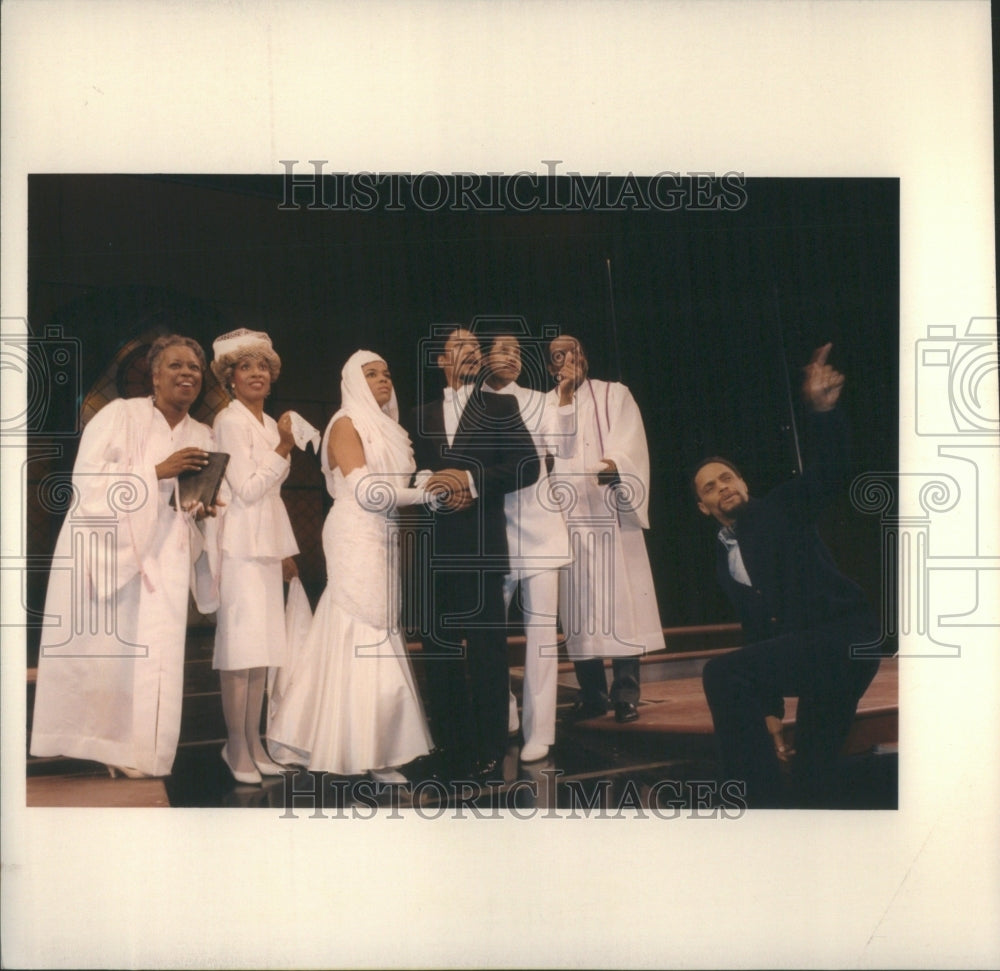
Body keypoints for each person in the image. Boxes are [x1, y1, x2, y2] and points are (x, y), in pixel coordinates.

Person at [693, 343, 880, 808]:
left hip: (844, 636)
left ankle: (756, 807)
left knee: (721, 673)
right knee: (813, 775)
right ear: (704, 507)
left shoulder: (778, 509)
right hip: (821, 663)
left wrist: (822, 411)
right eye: (711, 487)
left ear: (744, 485)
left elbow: (830, 473)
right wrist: (772, 716)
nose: (723, 488)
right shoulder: (726, 561)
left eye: (728, 478)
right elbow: (760, 634)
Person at [30, 334, 221, 779]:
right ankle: (106, 745)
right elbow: (88, 482)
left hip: (168, 553)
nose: (186, 374)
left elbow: (195, 501)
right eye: (175, 366)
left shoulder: (203, 434)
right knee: (107, 655)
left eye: (194, 368)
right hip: (108, 555)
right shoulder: (119, 415)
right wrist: (157, 471)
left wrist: (204, 508)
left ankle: (148, 752)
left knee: (159, 657)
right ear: (154, 375)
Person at [267, 350, 434, 783]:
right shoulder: (346, 423)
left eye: (387, 373)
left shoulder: (387, 428)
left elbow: (394, 484)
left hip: (385, 532)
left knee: (375, 621)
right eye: (372, 374)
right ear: (354, 382)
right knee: (363, 621)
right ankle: (371, 750)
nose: (384, 380)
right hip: (356, 531)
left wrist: (424, 480)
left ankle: (353, 738)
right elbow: (364, 490)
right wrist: (423, 495)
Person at [406, 327, 541, 783]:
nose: (470, 352)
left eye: (475, 347)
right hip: (432, 548)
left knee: (486, 651)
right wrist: (432, 483)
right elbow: (408, 475)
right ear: (442, 359)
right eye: (459, 345)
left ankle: (489, 747)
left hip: (482, 545)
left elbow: (527, 464)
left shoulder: (500, 406)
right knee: (439, 650)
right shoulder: (418, 414)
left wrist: (471, 482)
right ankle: (448, 743)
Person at [547, 335, 665, 724]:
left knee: (623, 605)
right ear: (551, 366)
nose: (568, 359)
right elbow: (549, 450)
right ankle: (593, 694)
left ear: (586, 356)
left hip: (610, 511)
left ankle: (626, 693)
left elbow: (630, 441)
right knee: (579, 609)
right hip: (568, 520)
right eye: (558, 356)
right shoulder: (545, 404)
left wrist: (612, 464)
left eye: (574, 351)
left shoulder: (615, 394)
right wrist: (563, 401)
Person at [210, 329, 301, 785]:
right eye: (245, 367)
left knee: (263, 649)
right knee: (240, 650)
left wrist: (284, 550)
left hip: (266, 543)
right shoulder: (230, 421)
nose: (256, 373)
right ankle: (236, 745)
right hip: (241, 545)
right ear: (230, 378)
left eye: (262, 366)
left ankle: (255, 741)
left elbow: (270, 495)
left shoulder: (266, 425)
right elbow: (245, 489)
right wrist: (284, 448)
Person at [481, 329, 575, 763]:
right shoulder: (469, 402)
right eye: (502, 350)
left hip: (540, 530)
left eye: (518, 352)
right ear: (482, 357)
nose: (512, 357)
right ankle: (504, 712)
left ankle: (542, 731)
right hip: (492, 533)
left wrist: (564, 400)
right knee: (488, 639)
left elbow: (559, 450)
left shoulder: (539, 400)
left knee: (540, 638)